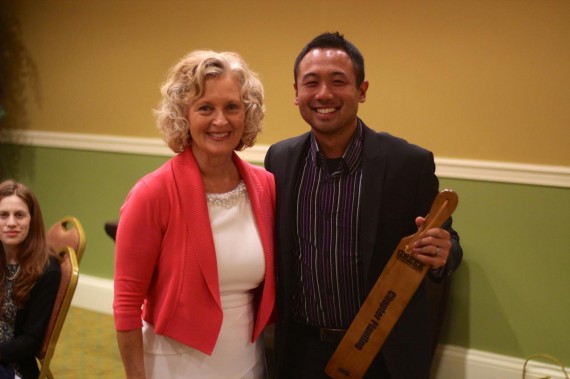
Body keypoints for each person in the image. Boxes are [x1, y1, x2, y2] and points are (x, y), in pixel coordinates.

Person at [264, 32, 463, 378]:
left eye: (338, 81)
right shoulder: (279, 159)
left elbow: (447, 244)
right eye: (311, 83)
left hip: (382, 355)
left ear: (362, 90)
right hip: (298, 353)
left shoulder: (408, 164)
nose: (324, 94)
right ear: (296, 93)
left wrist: (443, 254)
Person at [113, 50, 276, 379]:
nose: (220, 120)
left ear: (248, 113)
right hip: (173, 364)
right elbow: (126, 305)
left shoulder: (266, 187)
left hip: (249, 362)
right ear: (183, 115)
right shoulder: (152, 193)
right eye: (205, 108)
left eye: (232, 107)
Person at [0, 180, 61, 379]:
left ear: (32, 220)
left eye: (19, 215)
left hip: (13, 366)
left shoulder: (47, 269)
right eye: (3, 215)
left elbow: (30, 341)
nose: (10, 223)